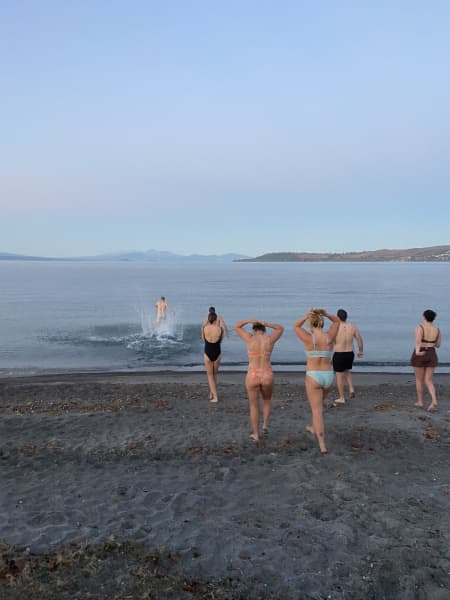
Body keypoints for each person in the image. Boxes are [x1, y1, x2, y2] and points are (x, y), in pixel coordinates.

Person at [294, 309, 340, 454]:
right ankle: (313, 428)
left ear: (311, 324)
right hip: (328, 376)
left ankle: (322, 445)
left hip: (314, 375)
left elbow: (296, 326)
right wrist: (326, 314)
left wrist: (306, 316)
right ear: (322, 323)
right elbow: (337, 321)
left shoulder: (309, 338)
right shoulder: (329, 337)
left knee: (317, 411)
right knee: (318, 406)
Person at [234, 319, 284, 443]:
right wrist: (268, 323)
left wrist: (249, 320)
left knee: (254, 405)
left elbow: (237, 326)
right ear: (264, 330)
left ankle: (256, 434)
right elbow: (280, 328)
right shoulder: (269, 339)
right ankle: (265, 425)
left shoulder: (249, 338)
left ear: (253, 329)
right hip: (266, 373)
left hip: (253, 373)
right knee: (266, 400)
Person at [411, 309, 441, 412]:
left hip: (421, 353)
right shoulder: (437, 330)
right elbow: (438, 345)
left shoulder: (419, 328)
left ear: (424, 317)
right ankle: (434, 400)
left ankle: (420, 402)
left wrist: (418, 352)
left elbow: (418, 342)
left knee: (419, 379)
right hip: (432, 353)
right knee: (428, 380)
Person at [332, 309, 364, 404]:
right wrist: (361, 351)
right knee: (346, 370)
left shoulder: (336, 327)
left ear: (338, 317)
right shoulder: (352, 326)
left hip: (339, 353)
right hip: (350, 353)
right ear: (346, 317)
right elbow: (359, 339)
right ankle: (351, 388)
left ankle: (342, 398)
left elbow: (330, 339)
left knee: (339, 376)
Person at [202, 309, 224, 403]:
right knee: (214, 375)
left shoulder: (204, 328)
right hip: (217, 352)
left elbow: (203, 339)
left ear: (208, 319)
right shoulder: (220, 329)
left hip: (208, 352)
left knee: (210, 375)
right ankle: (211, 392)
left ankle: (215, 397)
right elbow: (221, 340)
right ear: (216, 319)